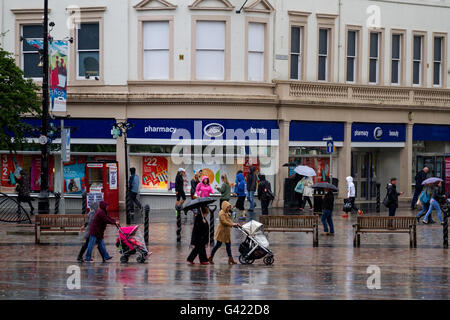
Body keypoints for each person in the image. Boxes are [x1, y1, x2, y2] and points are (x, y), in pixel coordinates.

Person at [208, 201, 239, 265]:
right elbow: (224, 222)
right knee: (218, 245)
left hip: (226, 232)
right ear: (224, 207)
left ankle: (230, 258)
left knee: (228, 245)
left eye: (229, 207)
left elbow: (229, 220)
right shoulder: (221, 213)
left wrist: (234, 224)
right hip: (222, 232)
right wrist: (232, 225)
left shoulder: (226, 212)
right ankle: (211, 257)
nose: (228, 209)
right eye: (227, 207)